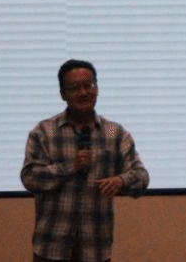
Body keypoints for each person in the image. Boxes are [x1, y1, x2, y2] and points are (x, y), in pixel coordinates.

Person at [22, 59, 149, 262]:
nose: (83, 93)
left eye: (88, 85)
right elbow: (30, 178)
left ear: (97, 89)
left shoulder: (114, 133)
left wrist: (121, 180)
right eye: (74, 88)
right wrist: (69, 167)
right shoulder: (44, 132)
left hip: (95, 248)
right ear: (63, 94)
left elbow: (142, 177)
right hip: (51, 247)